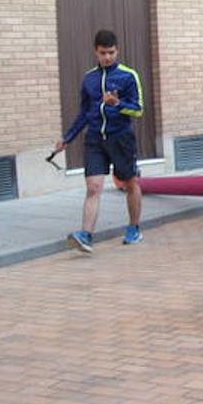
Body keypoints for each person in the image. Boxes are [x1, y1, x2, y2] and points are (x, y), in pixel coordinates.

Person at [54, 29, 145, 252]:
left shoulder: (128, 76)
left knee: (130, 183)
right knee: (93, 187)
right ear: (96, 51)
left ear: (117, 50)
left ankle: (134, 227)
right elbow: (84, 113)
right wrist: (67, 138)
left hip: (120, 138)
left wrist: (118, 104)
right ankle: (85, 235)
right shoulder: (89, 79)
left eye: (111, 52)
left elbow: (139, 110)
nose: (107, 57)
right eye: (103, 53)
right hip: (95, 139)